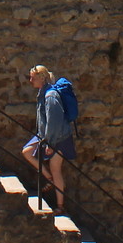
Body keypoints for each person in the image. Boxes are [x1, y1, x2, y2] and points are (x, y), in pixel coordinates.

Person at [21, 64, 78, 213]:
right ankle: (49, 178)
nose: (30, 80)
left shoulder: (50, 96)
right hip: (44, 135)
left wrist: (51, 144)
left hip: (58, 138)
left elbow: (54, 122)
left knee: (56, 169)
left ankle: (60, 206)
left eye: (32, 78)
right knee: (27, 152)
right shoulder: (43, 92)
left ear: (41, 78)